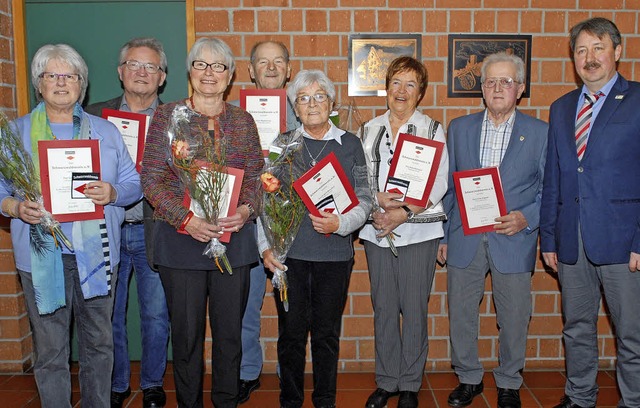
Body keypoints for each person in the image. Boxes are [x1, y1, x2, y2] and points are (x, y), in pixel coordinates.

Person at [0, 44, 141, 408]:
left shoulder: (105, 132)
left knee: (99, 345)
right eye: (53, 75)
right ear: (39, 83)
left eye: (71, 76)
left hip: (96, 256)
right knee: (50, 350)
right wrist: (16, 206)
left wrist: (112, 192)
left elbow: (134, 183)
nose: (62, 83)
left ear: (82, 84)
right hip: (41, 257)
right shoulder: (15, 133)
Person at [141, 37, 263, 408]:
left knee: (229, 336)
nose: (209, 73)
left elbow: (256, 176)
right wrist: (187, 219)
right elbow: (152, 178)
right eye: (201, 65)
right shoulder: (168, 116)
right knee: (187, 337)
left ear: (230, 76)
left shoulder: (243, 120)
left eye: (219, 66)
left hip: (233, 241)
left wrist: (246, 210)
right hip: (181, 244)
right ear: (190, 71)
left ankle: (226, 402)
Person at [438, 52, 548, 408]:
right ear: (481, 89)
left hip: (513, 238)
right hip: (464, 237)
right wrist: (442, 235)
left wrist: (527, 217)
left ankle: (509, 382)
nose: (498, 88)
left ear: (520, 88)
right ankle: (469, 377)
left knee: (515, 315)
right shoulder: (460, 128)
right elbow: (449, 188)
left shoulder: (540, 132)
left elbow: (551, 191)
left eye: (506, 81)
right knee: (461, 312)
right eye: (491, 82)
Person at [540, 17, 640, 408]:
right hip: (571, 240)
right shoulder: (561, 108)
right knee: (577, 327)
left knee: (631, 333)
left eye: (598, 47)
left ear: (617, 51)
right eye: (581, 50)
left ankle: (633, 400)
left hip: (623, 242)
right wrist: (549, 236)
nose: (589, 57)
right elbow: (554, 177)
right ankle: (580, 395)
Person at [259, 69, 373, 408]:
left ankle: (325, 401)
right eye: (304, 98)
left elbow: (365, 199)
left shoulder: (350, 144)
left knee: (326, 336)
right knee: (291, 335)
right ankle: (290, 401)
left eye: (319, 96)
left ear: (331, 102)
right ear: (295, 107)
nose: (312, 104)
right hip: (289, 257)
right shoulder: (283, 144)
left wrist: (339, 223)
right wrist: (265, 247)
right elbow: (265, 200)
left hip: (334, 256)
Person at [358, 56, 448, 408]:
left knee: (413, 308)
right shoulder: (368, 129)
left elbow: (439, 180)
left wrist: (404, 212)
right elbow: (359, 177)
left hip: (419, 233)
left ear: (420, 92)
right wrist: (375, 198)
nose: (402, 91)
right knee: (383, 308)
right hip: (377, 230)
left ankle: (410, 382)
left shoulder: (431, 129)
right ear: (386, 87)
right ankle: (387, 381)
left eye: (411, 85)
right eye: (396, 82)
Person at [85, 37, 170, 408]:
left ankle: (151, 384)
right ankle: (117, 385)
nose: (141, 72)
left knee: (155, 314)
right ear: (120, 72)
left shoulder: (176, 119)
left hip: (155, 230)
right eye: (134, 64)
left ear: (162, 77)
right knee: (109, 316)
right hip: (107, 229)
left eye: (150, 67)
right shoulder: (92, 116)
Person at [230, 40, 301, 404]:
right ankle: (247, 372)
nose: (271, 68)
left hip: (294, 223)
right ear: (251, 70)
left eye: (278, 62)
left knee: (294, 307)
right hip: (247, 224)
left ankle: (291, 375)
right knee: (247, 303)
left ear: (289, 70)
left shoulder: (306, 110)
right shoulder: (233, 116)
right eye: (263, 62)